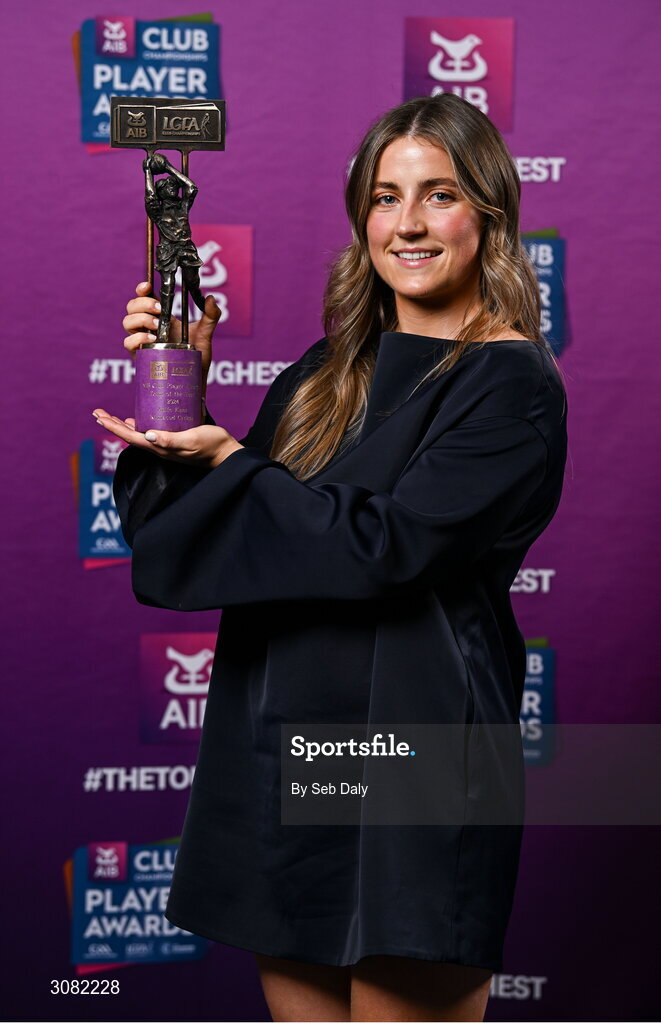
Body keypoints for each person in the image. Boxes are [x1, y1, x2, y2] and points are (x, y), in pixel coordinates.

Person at [93, 94, 568, 1023]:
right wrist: (175, 394)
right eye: (386, 198)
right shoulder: (326, 370)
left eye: (439, 195)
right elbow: (202, 540)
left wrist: (229, 459)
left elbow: (382, 547)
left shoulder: (509, 384)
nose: (409, 222)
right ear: (361, 218)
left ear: (491, 213)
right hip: (286, 744)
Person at [143, 151, 206, 343]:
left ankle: (199, 300)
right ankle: (164, 325)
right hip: (168, 249)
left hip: (186, 247)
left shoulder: (183, 206)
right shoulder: (158, 211)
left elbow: (192, 187)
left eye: (173, 184)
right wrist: (148, 172)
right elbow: (150, 197)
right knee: (168, 286)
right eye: (167, 185)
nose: (172, 186)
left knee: (192, 282)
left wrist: (169, 167)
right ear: (161, 191)